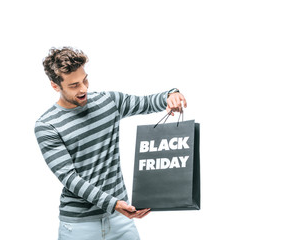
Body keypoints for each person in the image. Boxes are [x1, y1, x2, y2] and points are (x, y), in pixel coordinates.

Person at [34, 47, 187, 240]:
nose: (83, 89)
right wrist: (114, 203)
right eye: (74, 85)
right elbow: (70, 178)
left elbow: (146, 102)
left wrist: (171, 95)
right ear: (56, 86)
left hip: (121, 221)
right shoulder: (47, 125)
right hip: (79, 227)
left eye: (85, 80)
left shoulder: (108, 102)